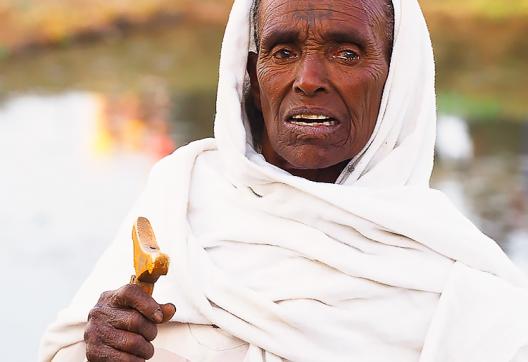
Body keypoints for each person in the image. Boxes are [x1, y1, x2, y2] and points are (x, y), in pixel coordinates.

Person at [40, 0, 528, 361]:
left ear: (398, 80)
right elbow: (64, 351)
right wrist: (97, 344)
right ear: (250, 75)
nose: (308, 78)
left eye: (348, 53)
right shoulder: (180, 197)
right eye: (283, 50)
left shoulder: (465, 289)